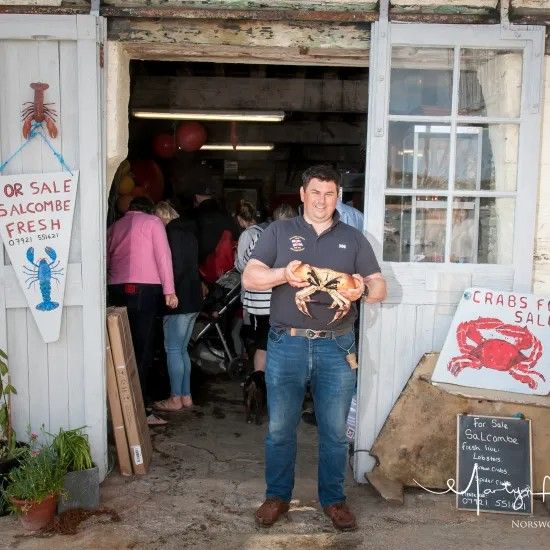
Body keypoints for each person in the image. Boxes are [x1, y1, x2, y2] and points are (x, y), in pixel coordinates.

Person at [243, 164, 386, 531]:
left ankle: (334, 500)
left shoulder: (353, 239)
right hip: (286, 344)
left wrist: (363, 289)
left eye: (330, 193)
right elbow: (251, 276)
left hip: (337, 348)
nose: (322, 200)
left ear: (337, 196)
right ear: (303, 194)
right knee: (280, 428)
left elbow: (379, 286)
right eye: (316, 192)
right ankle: (277, 496)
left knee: (336, 431)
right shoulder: (279, 231)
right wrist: (283, 275)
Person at [107, 196, 178, 426]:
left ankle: (119, 407)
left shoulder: (115, 226)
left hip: (117, 289)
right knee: (143, 349)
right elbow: (163, 256)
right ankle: (141, 411)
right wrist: (169, 290)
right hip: (145, 290)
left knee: (120, 346)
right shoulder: (153, 223)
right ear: (148, 210)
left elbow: (105, 258)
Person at [235, 202, 296, 373]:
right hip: (284, 301)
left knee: (263, 342)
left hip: (260, 303)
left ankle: (259, 385)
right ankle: (280, 379)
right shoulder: (296, 240)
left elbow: (244, 264)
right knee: (286, 342)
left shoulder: (260, 236)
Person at [153, 201, 202, 411]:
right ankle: (186, 396)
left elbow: (176, 268)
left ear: (161, 217)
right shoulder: (189, 233)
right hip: (194, 299)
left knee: (173, 349)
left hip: (178, 300)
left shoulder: (169, 235)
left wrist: (167, 292)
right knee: (182, 350)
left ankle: (174, 398)